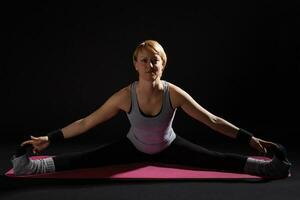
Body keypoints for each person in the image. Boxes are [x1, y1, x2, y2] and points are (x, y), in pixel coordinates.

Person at [11, 40, 291, 179]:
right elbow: (86, 123)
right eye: (143, 61)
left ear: (163, 63)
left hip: (170, 145)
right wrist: (50, 138)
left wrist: (249, 139)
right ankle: (28, 168)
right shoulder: (124, 96)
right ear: (135, 65)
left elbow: (212, 120)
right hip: (132, 146)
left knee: (217, 160)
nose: (150, 66)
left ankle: (273, 169)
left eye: (155, 60)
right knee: (84, 159)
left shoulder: (174, 93)